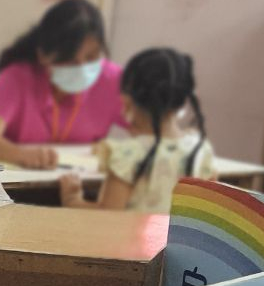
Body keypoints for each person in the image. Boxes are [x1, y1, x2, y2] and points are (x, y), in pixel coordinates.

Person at [0, 0, 123, 170]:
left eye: (91, 57)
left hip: (83, 181)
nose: (82, 67)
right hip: (21, 177)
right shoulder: (18, 77)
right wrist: (21, 154)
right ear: (43, 55)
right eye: (70, 60)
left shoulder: (113, 80)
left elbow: (146, 124)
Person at [61, 47, 214, 213]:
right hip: (178, 231)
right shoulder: (201, 149)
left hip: (132, 232)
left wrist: (73, 200)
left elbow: (108, 216)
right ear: (183, 100)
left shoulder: (129, 154)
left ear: (127, 101)